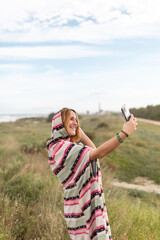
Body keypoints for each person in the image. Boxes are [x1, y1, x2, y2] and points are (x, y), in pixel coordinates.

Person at [46, 107, 137, 240]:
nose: (75, 122)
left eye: (76, 120)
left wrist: (77, 129)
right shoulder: (60, 148)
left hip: (86, 204)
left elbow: (94, 151)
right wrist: (124, 133)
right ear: (60, 122)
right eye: (70, 119)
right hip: (80, 209)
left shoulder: (67, 146)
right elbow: (98, 153)